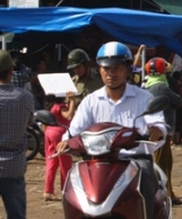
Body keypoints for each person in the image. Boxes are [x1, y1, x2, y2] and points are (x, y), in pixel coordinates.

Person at [57, 42, 167, 219]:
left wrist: (156, 130)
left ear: (127, 69)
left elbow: (157, 122)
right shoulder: (91, 101)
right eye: (106, 68)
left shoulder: (144, 98)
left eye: (116, 68)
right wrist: (66, 140)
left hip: (134, 160)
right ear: (99, 70)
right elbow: (74, 129)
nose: (111, 73)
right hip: (97, 161)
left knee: (146, 178)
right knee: (73, 183)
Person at [144, 57, 182, 205]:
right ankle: (163, 195)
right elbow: (179, 100)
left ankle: (168, 192)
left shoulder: (146, 85)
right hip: (162, 130)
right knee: (162, 163)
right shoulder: (162, 87)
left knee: (165, 161)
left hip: (154, 129)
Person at [0, 49, 35, 219]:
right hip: (14, 166)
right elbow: (30, 123)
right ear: (10, 71)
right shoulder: (25, 97)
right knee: (16, 215)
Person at [43, 91, 76, 201]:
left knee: (51, 161)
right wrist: (72, 101)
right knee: (65, 162)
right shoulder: (61, 106)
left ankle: (48, 191)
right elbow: (69, 116)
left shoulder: (50, 106)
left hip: (49, 132)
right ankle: (65, 190)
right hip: (60, 134)